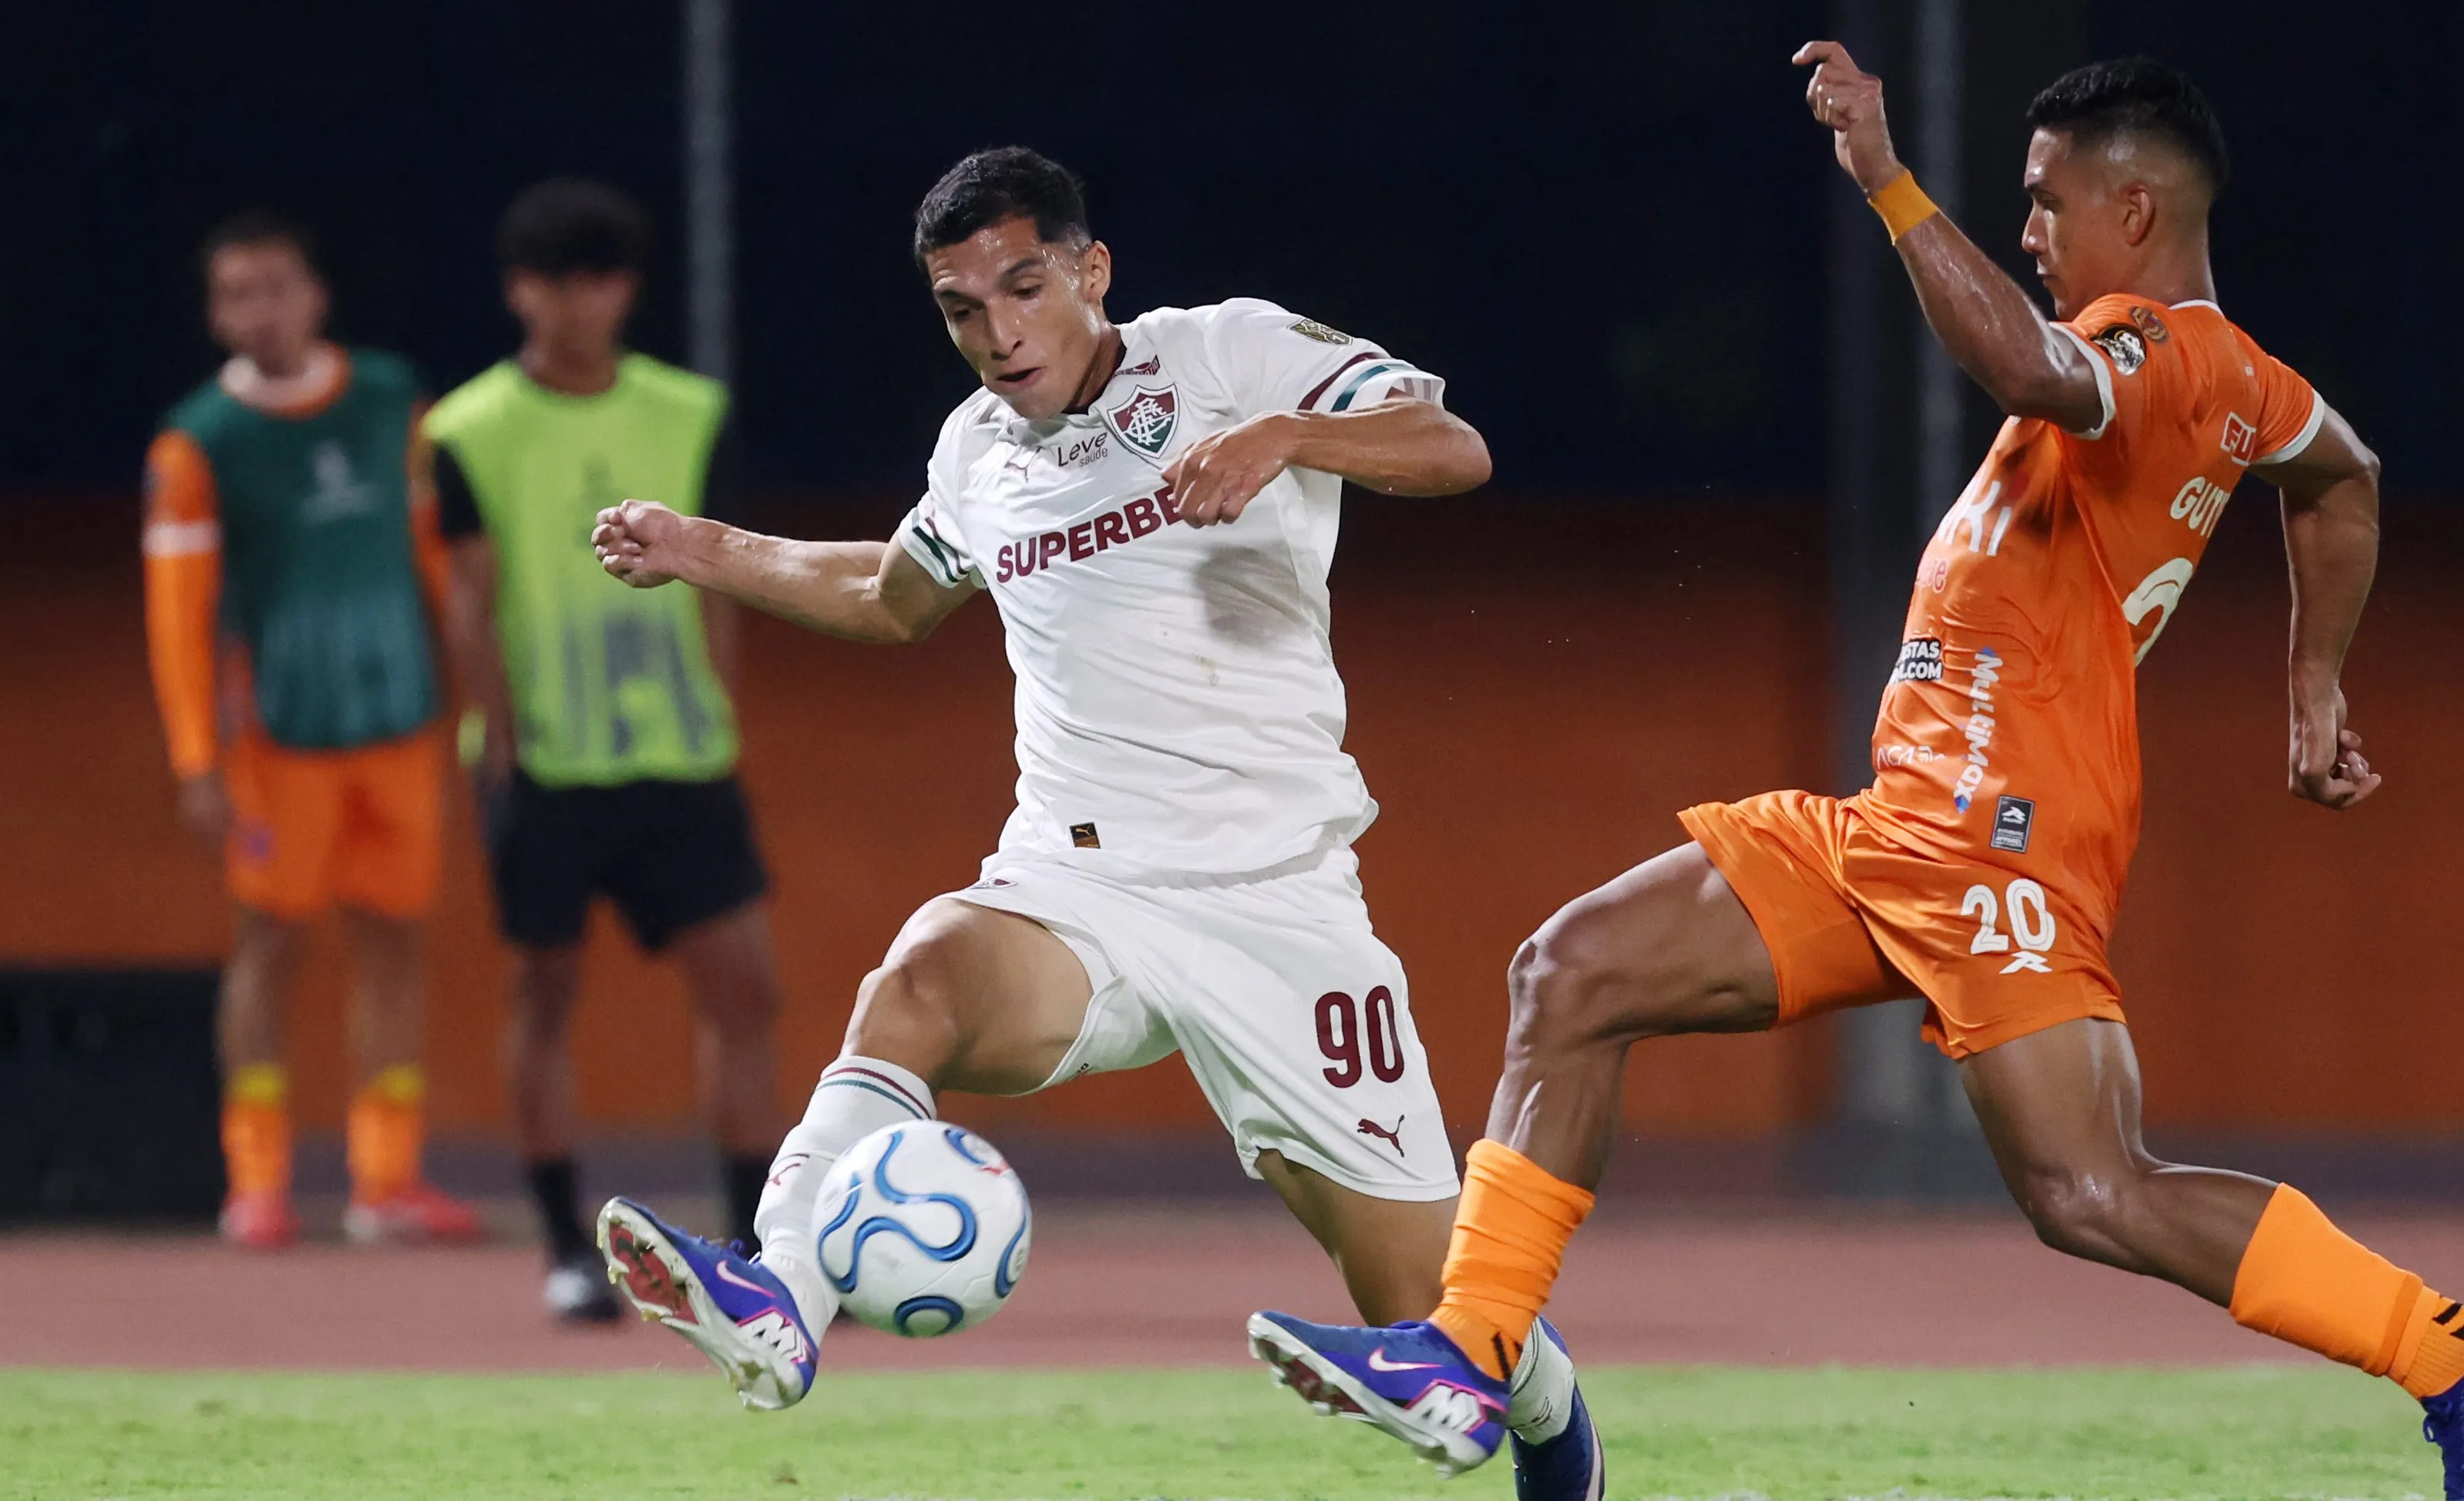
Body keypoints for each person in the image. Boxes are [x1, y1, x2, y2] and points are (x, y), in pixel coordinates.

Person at [1248, 51, 2464, 1501]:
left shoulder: (2159, 350)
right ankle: (1468, 1350)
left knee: (2091, 1190)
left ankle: (2459, 1353)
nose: (2032, 231)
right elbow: (2346, 472)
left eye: (2047, 201)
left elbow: (2027, 367)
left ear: (2135, 207)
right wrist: (2312, 683)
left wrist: (1884, 174)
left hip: (2005, 831)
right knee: (1574, 973)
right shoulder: (2248, 384)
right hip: (1901, 821)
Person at [584, 146, 1602, 1499]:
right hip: (1078, 885)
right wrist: (707, 547)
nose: (998, 333)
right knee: (922, 976)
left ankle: (1553, 1431)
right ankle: (780, 1294)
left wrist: (1290, 436)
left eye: (1023, 287)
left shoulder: (1231, 353)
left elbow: (1453, 447)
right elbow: (895, 593)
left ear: (1090, 268)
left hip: (1277, 902)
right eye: (960, 307)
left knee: (1427, 1297)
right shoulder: (976, 449)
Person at [427, 179, 785, 1323]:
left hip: (681, 763)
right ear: (516, 290)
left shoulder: (688, 411)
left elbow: (727, 572)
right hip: (543, 771)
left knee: (748, 991)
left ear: (624, 290)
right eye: (550, 281)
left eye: (596, 279)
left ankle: (751, 1243)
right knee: (543, 990)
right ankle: (564, 1250)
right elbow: (468, 598)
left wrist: (723, 714)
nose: (573, 304)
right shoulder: (465, 429)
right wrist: (494, 733)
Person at [143, 212, 482, 1249]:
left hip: (397, 721)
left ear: (315, 295)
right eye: (238, 293)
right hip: (278, 739)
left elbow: (440, 558)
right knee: (272, 942)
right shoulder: (199, 442)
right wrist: (197, 759)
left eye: (276, 287)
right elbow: (179, 609)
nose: (262, 310)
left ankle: (386, 1179)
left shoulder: (391, 401)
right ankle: (258, 1177)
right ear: (215, 315)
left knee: (393, 939)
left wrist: (467, 698)